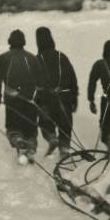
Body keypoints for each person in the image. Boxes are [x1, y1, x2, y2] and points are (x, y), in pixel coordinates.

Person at [0, 29, 44, 164]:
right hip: (30, 100)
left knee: (14, 127)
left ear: (10, 42)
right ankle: (30, 150)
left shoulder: (3, 58)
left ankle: (19, 141)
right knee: (31, 129)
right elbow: (41, 82)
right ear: (23, 42)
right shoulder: (32, 58)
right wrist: (39, 100)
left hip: (12, 100)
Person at [35, 26, 79, 159]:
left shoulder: (36, 59)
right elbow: (72, 78)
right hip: (64, 97)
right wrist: (74, 98)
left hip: (45, 98)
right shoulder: (62, 56)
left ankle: (51, 138)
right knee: (65, 125)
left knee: (45, 123)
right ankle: (64, 149)